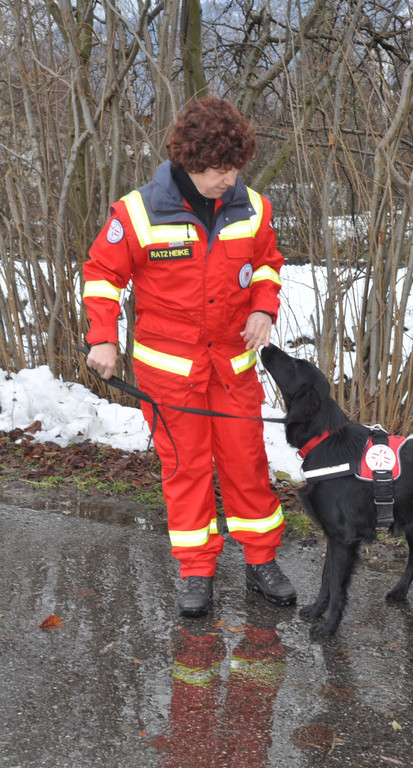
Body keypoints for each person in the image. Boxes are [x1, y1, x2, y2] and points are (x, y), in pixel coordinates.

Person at [82, 96, 296, 617]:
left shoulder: (253, 207)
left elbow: (268, 264)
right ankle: (197, 571)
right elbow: (102, 273)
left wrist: (263, 308)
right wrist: (103, 336)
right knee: (187, 470)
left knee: (248, 464)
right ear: (191, 162)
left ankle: (261, 561)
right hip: (170, 376)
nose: (231, 179)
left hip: (232, 369)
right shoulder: (138, 212)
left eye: (236, 168)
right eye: (221, 170)